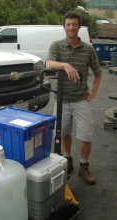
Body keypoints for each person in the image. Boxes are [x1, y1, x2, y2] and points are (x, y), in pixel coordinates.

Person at [46, 11, 102, 185]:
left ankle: (84, 166)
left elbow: (98, 73)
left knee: (86, 134)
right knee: (63, 132)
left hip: (80, 99)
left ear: (79, 26)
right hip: (61, 99)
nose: (71, 27)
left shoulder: (88, 49)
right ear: (64, 27)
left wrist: (93, 92)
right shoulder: (56, 46)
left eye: (74, 24)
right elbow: (48, 64)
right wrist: (65, 64)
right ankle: (68, 159)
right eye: (68, 24)